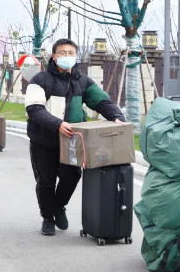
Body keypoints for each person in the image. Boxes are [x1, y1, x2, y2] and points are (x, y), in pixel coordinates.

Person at [25, 38, 126, 236]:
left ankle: (58, 207)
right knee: (46, 181)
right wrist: (57, 124)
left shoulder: (82, 81)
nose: (67, 56)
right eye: (62, 53)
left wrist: (117, 117)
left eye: (71, 53)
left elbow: (102, 101)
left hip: (72, 141)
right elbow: (34, 109)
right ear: (54, 56)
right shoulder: (40, 80)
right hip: (44, 140)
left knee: (72, 176)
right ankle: (47, 217)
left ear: (76, 56)